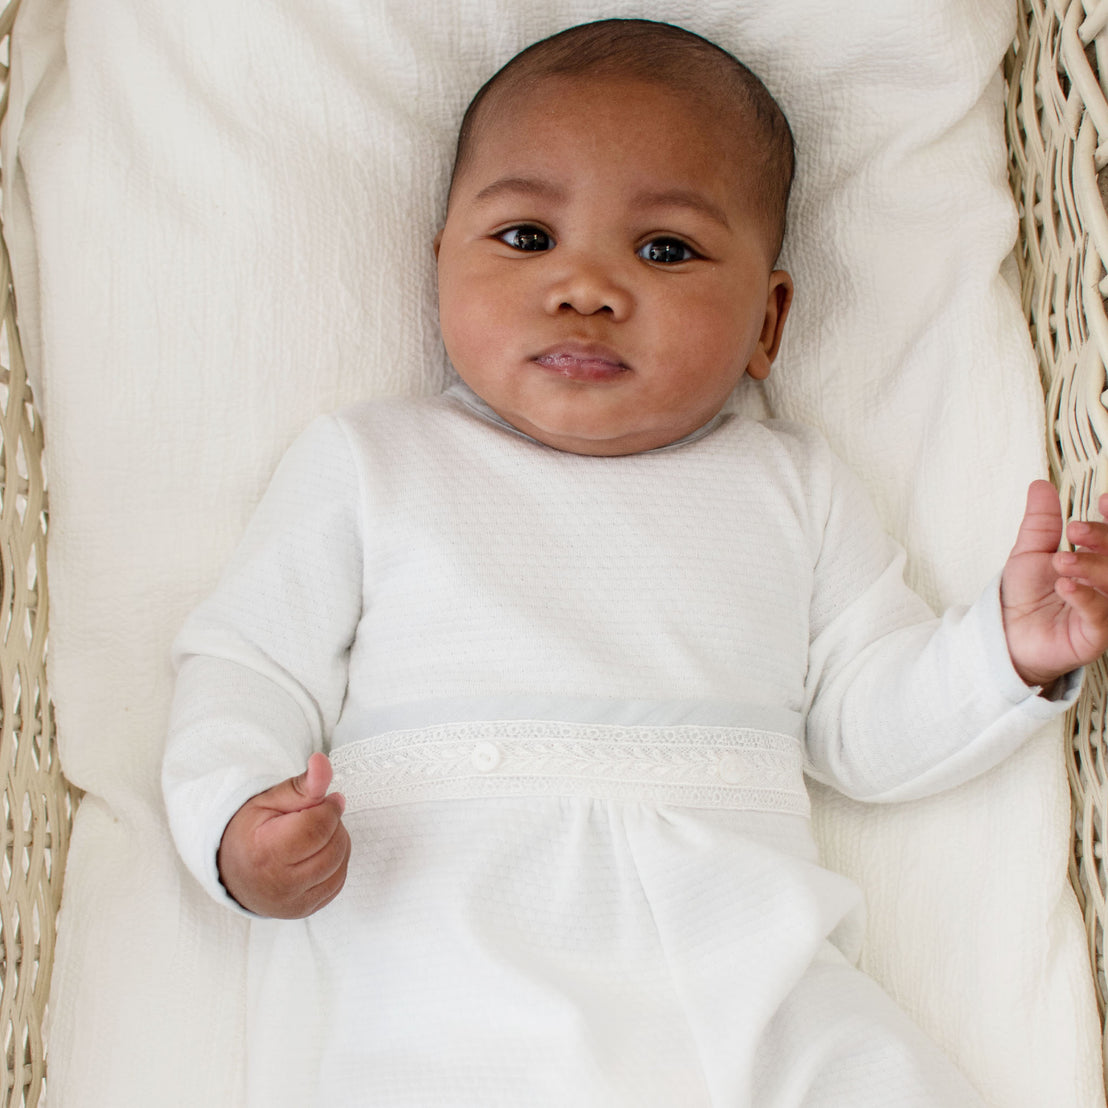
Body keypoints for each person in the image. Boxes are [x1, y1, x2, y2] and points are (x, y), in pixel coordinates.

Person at [163, 18, 1108, 1106]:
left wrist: (1005, 652)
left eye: (665, 249)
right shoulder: (374, 462)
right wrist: (236, 820)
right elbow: (245, 666)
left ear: (769, 320)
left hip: (740, 957)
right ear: (438, 272)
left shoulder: (789, 485)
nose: (586, 286)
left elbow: (861, 723)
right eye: (525, 237)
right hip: (450, 947)